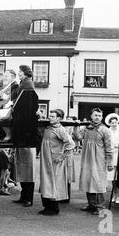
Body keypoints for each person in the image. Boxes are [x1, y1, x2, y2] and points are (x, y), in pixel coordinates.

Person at [39, 109, 75, 215]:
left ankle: (54, 208)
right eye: (50, 115)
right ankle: (47, 206)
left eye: (53, 116)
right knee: (46, 182)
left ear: (59, 118)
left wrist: (62, 157)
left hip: (54, 161)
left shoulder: (61, 130)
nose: (50, 117)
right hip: (46, 160)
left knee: (53, 182)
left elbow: (71, 144)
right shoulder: (48, 128)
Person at [12, 65, 39, 208]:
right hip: (23, 136)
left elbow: (25, 110)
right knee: (23, 168)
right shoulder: (24, 85)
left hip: (25, 136)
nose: (19, 75)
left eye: (20, 73)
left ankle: (28, 197)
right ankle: (24, 195)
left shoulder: (27, 86)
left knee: (27, 169)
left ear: (26, 74)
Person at [77, 108, 113, 215]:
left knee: (98, 181)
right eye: (95, 115)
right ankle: (91, 204)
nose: (97, 117)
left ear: (102, 117)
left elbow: (109, 147)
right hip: (87, 158)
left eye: (99, 115)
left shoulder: (105, 130)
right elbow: (78, 137)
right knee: (88, 180)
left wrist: (110, 162)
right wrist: (75, 127)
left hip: (99, 159)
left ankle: (100, 206)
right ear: (91, 116)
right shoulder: (87, 128)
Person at [105, 113, 119, 204]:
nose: (114, 124)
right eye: (112, 122)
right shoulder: (107, 131)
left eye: (115, 122)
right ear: (109, 123)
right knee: (113, 178)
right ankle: (114, 194)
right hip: (111, 155)